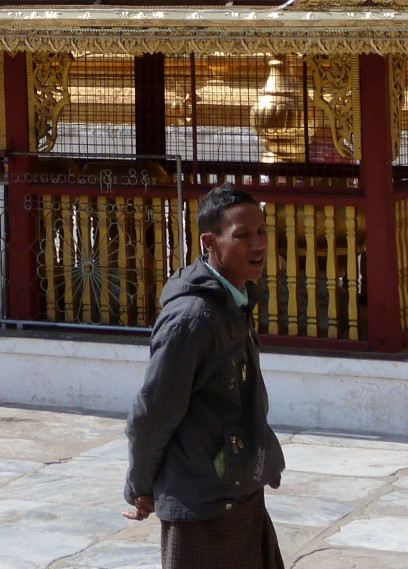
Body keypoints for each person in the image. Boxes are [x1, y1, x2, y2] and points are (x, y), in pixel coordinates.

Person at [124, 184, 284, 569]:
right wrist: (140, 486)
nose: (257, 244)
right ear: (210, 242)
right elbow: (154, 412)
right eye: (242, 235)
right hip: (200, 505)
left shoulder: (237, 300)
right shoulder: (192, 319)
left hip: (239, 488)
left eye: (261, 232)